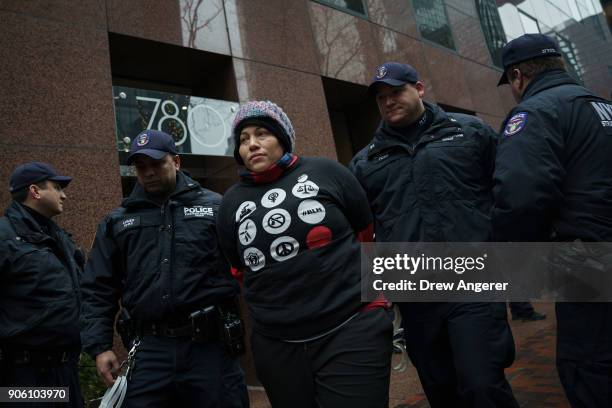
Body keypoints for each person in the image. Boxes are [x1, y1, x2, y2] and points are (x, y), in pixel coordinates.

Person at [350, 62, 519, 408]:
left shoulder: (470, 133)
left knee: (482, 384)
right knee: (442, 391)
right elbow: (361, 230)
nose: (388, 102)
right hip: (416, 296)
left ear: (420, 89)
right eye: (381, 98)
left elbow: (508, 193)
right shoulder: (366, 162)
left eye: (396, 92)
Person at [216, 100, 392, 408]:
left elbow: (365, 235)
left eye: (262, 134)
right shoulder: (230, 203)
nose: (252, 144)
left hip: (351, 326)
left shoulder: (327, 172)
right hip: (277, 345)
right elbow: (239, 269)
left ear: (282, 138)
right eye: (244, 139)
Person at [80, 130, 248, 408]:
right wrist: (100, 347)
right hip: (150, 351)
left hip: (210, 349)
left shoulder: (216, 207)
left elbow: (248, 269)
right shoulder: (117, 222)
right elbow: (98, 287)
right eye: (141, 166)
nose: (149, 172)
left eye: (157, 164)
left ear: (177, 162)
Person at [493, 33, 612, 408]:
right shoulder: (603, 107)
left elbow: (520, 197)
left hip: (588, 264)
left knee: (590, 369)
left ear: (517, 77)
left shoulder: (535, 112)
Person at [0, 162, 84, 407]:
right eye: (57, 188)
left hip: (64, 371)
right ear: (35, 191)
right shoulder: (4, 237)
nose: (64, 195)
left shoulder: (58, 237)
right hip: (24, 376)